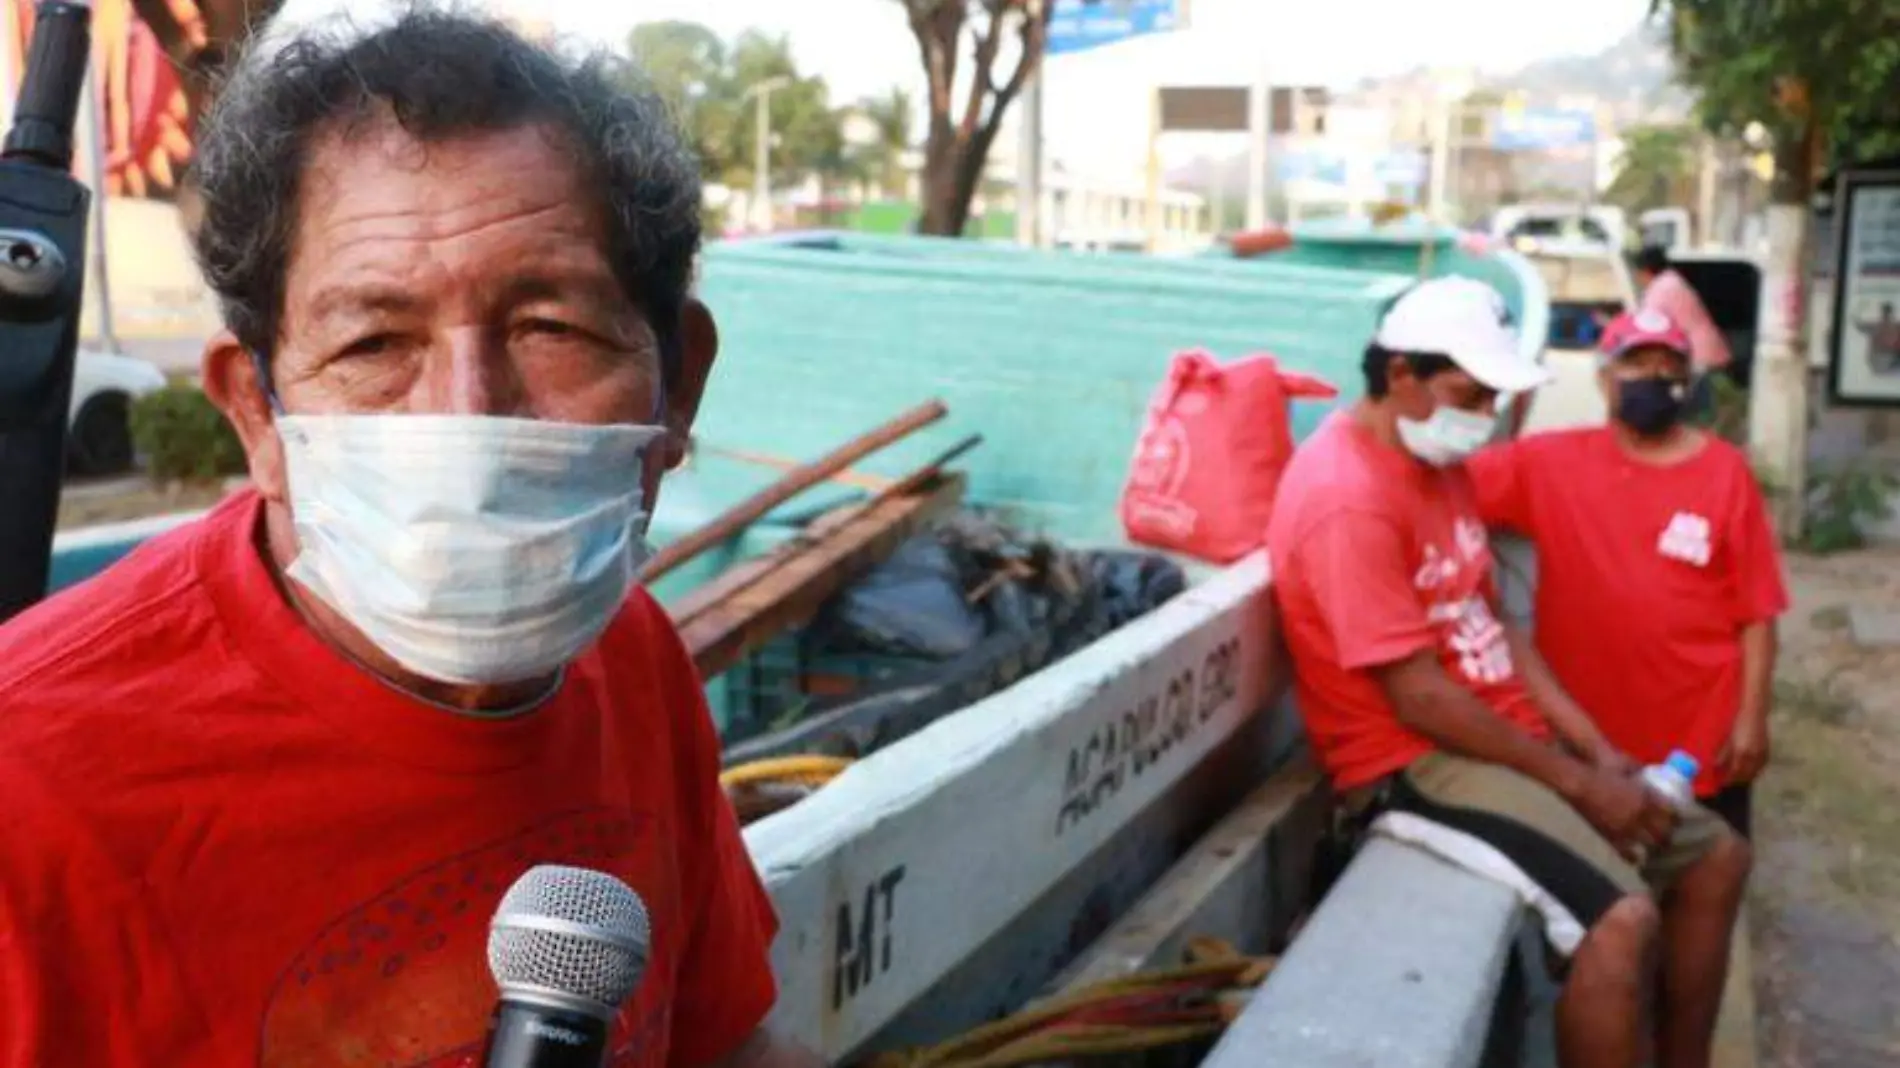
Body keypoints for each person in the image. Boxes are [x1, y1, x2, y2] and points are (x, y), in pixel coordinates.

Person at [0, 10, 818, 1068]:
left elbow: (722, 1042)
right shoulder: (28, 793)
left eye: (551, 328)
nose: (467, 415)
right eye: (374, 342)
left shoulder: (633, 659)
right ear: (258, 415)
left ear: (678, 386)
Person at [1267, 277, 1751, 1068]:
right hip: (1412, 764)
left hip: (1497, 740)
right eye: (1470, 391)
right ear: (1400, 376)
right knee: (1620, 920)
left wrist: (1592, 748)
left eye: (1493, 396)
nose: (1484, 414)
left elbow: (1495, 628)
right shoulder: (1346, 495)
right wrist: (1579, 785)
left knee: (1715, 854)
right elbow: (1417, 696)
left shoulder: (1438, 463)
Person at [1466, 310, 1788, 840]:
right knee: (1613, 886)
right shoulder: (1548, 462)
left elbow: (1758, 610)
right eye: (1636, 363)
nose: (1654, 377)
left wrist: (1752, 717)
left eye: (1669, 366)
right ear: (1603, 378)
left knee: (1711, 867)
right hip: (1593, 733)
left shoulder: (1725, 471)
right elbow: (1441, 488)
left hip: (1703, 729)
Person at [1635, 244, 1731, 374]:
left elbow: (1650, 330)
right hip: (1710, 350)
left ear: (1645, 271)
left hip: (1699, 357)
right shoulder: (1673, 280)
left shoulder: (1659, 289)